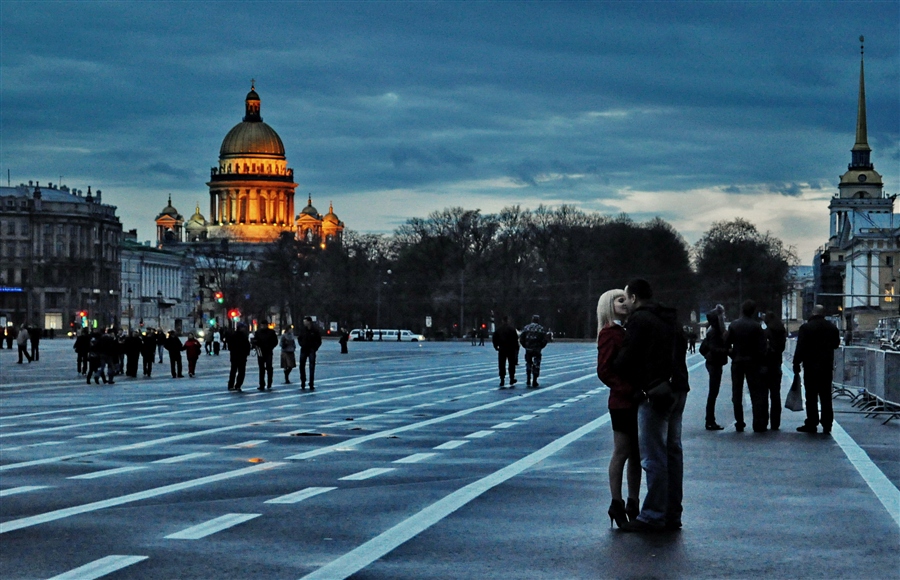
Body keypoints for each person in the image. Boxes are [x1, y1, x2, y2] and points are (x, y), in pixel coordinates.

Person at [613, 278, 689, 533]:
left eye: (627, 297)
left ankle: (653, 515)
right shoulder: (671, 318)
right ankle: (672, 512)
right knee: (673, 452)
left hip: (654, 392)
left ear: (634, 297)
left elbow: (626, 359)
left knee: (653, 454)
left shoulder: (639, 320)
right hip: (678, 389)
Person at [596, 289, 641, 528]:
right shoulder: (609, 334)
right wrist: (627, 389)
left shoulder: (623, 331)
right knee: (622, 452)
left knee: (636, 454)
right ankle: (617, 501)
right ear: (608, 305)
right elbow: (604, 370)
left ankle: (633, 501)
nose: (625, 303)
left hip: (632, 399)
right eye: (619, 299)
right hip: (622, 402)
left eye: (626, 299)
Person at [793, 305, 840, 434]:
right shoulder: (832, 328)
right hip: (826, 366)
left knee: (811, 396)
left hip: (810, 366)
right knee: (826, 396)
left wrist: (796, 362)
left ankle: (812, 422)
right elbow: (836, 344)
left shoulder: (806, 328)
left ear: (813, 313)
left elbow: (800, 346)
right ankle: (827, 423)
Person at [726, 300, 768, 432]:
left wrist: (733, 355)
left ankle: (739, 422)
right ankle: (758, 423)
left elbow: (726, 344)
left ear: (742, 310)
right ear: (753, 311)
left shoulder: (734, 325)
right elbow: (762, 348)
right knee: (756, 393)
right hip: (753, 362)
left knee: (736, 393)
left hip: (738, 362)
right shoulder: (756, 327)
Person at [699, 306, 728, 430]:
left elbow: (703, 349)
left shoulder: (712, 330)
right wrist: (727, 350)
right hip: (715, 363)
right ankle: (710, 420)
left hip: (713, 362)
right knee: (713, 393)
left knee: (713, 393)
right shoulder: (715, 332)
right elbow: (714, 349)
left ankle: (710, 419)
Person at [762, 312, 787, 431]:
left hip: (765, 365)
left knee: (763, 395)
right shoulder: (781, 332)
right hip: (776, 365)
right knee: (775, 395)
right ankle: (775, 422)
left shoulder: (766, 333)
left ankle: (763, 420)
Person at [519, 315, 549, 388]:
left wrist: (525, 346)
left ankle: (528, 378)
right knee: (537, 364)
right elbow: (545, 340)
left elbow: (521, 338)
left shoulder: (526, 328)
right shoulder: (541, 329)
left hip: (528, 349)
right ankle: (534, 380)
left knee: (528, 363)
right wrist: (541, 347)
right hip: (537, 349)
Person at [492, 316, 519, 388]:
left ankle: (502, 379)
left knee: (501, 364)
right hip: (511, 349)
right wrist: (517, 349)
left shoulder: (499, 329)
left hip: (502, 348)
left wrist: (496, 346)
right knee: (511, 364)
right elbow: (516, 340)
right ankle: (511, 378)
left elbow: (494, 338)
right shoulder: (512, 329)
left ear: (502, 321)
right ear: (508, 320)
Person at [297, 316, 322, 390]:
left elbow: (319, 340)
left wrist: (315, 348)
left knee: (312, 367)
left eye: (305, 321)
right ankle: (303, 381)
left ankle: (311, 382)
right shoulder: (303, 330)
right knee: (301, 366)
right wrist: (302, 344)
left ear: (309, 322)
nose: (304, 323)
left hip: (311, 349)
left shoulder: (315, 330)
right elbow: (299, 338)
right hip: (304, 349)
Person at [254, 322, 278, 391]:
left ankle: (269, 383)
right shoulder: (258, 332)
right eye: (262, 325)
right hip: (261, 351)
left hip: (268, 351)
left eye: (264, 325)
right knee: (261, 368)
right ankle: (262, 384)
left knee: (268, 367)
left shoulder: (271, 332)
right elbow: (255, 340)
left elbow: (275, 341)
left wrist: (270, 347)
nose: (263, 326)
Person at [227, 324, 252, 392]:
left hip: (234, 356)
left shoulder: (233, 335)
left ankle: (231, 385)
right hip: (242, 356)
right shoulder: (244, 336)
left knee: (233, 371)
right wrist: (246, 353)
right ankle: (238, 385)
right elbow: (247, 345)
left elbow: (229, 346)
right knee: (241, 371)